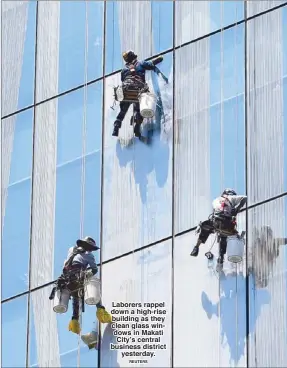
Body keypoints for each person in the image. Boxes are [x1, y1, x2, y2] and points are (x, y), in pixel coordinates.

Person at [54, 236, 112, 336]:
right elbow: (94, 269)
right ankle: (101, 311)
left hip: (67, 280)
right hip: (77, 277)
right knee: (92, 289)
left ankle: (74, 321)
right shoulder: (89, 255)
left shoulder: (72, 250)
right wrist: (89, 274)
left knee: (76, 297)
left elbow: (66, 264)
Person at [190, 189, 247, 268]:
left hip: (216, 223)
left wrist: (201, 225)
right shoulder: (231, 198)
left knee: (206, 228)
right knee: (225, 236)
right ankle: (221, 258)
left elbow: (216, 211)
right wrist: (236, 209)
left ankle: (196, 247)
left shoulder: (215, 200)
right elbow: (245, 198)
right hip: (227, 225)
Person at [112, 50, 163, 138]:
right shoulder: (141, 64)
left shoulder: (124, 70)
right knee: (138, 109)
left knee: (122, 111)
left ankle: (116, 126)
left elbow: (122, 79)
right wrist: (159, 58)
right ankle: (137, 127)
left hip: (126, 91)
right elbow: (151, 64)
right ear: (134, 57)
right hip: (138, 90)